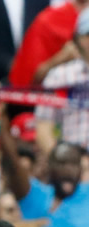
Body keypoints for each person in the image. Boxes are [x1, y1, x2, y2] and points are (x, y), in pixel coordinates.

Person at [34, 9, 89, 153]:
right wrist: (63, 164)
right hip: (70, 164)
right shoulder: (60, 76)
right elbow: (44, 127)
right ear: (79, 39)